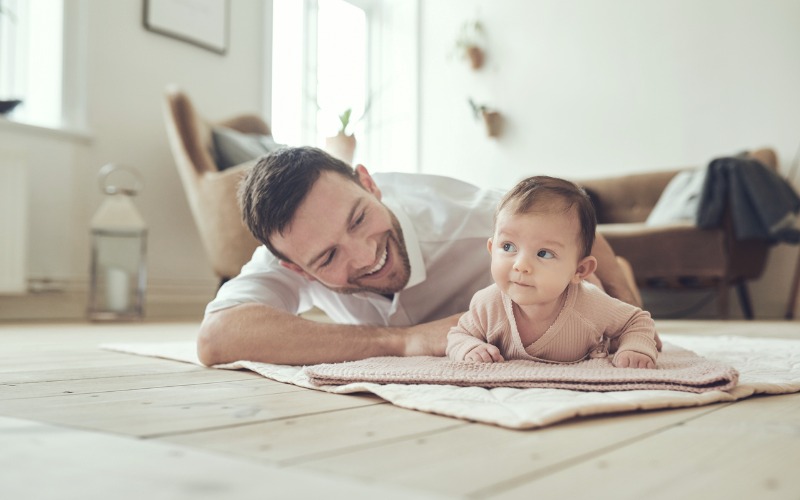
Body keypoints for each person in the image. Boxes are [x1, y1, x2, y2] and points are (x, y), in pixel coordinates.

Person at [197, 146, 653, 366]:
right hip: (480, 327)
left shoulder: (471, 219)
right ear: (296, 268)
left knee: (585, 297)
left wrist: (627, 297)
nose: (366, 254)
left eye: (359, 219)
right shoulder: (290, 249)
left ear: (369, 184)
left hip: (543, 289)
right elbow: (217, 337)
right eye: (329, 257)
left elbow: (575, 230)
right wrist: (399, 341)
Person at [446, 176, 658, 368]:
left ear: (580, 269)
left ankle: (619, 270)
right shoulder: (488, 304)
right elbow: (458, 335)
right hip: (572, 280)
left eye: (544, 253)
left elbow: (636, 321)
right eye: (508, 247)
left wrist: (635, 348)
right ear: (492, 249)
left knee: (604, 295)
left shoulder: (592, 305)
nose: (520, 265)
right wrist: (469, 347)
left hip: (588, 289)